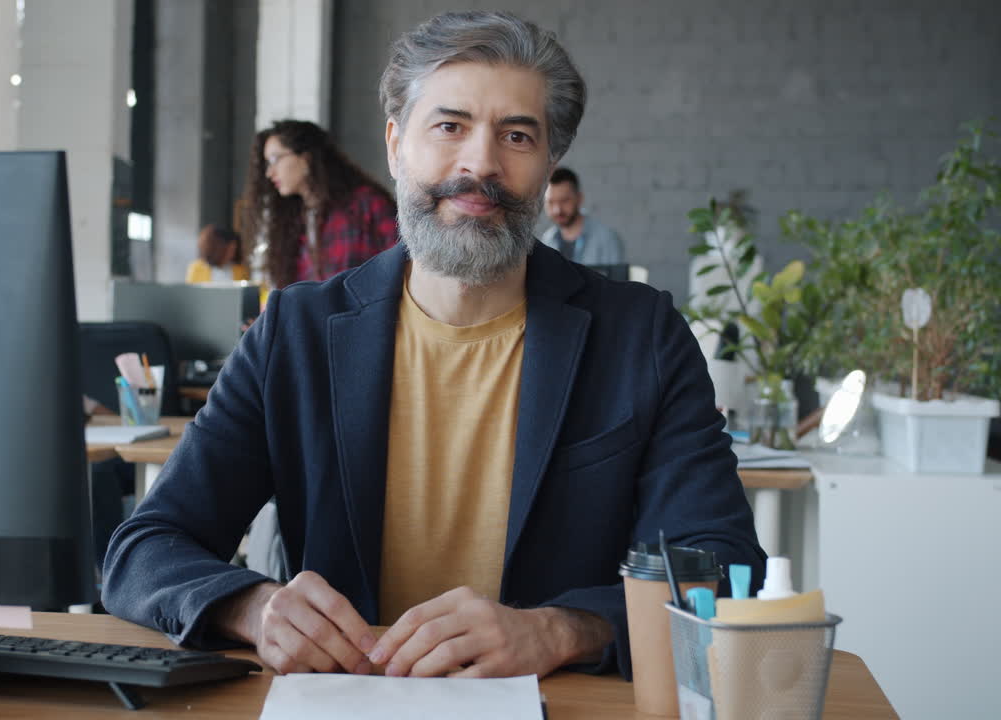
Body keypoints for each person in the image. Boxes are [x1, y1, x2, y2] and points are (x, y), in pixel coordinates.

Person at [103, 10, 764, 681]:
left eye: (517, 134)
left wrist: (561, 630)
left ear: (549, 163)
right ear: (396, 145)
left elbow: (723, 564)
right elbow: (143, 551)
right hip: (342, 703)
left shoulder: (641, 336)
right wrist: (253, 606)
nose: (480, 163)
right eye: (449, 126)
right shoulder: (294, 334)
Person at [238, 120, 398, 289]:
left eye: (274, 159)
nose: (269, 173)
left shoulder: (366, 203)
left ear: (306, 158)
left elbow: (403, 265)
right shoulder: (293, 223)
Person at [540, 167, 625, 265]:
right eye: (551, 202)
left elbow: (616, 279)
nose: (557, 210)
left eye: (564, 200)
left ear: (579, 199)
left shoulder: (606, 238)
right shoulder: (547, 239)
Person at [185, 224, 250, 284]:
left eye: (233, 250)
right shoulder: (197, 269)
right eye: (228, 250)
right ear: (216, 250)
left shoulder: (240, 270)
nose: (231, 254)